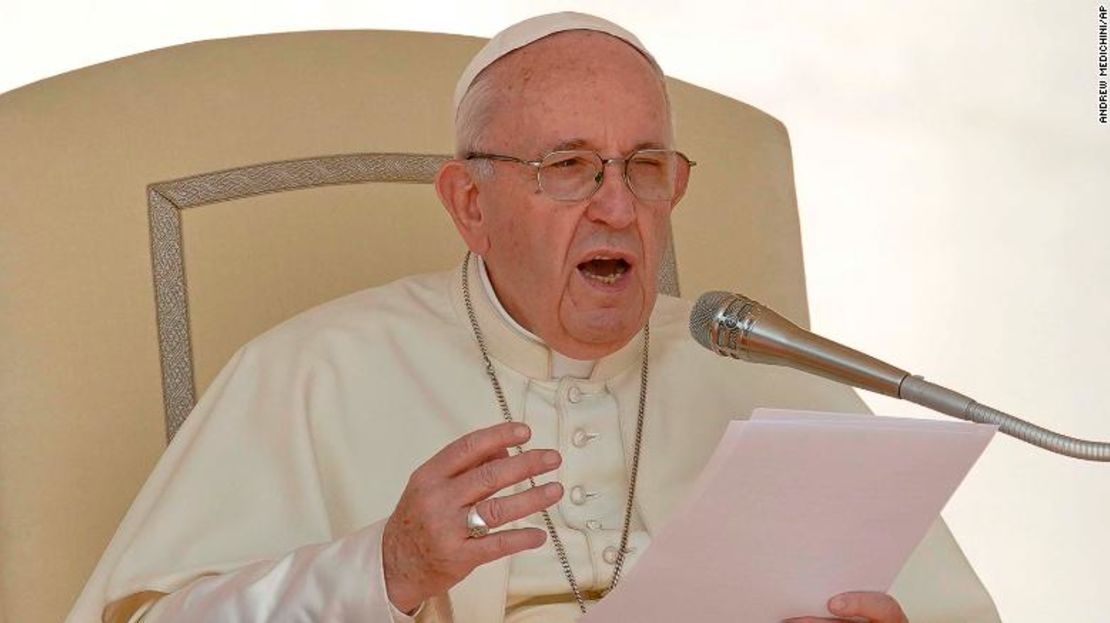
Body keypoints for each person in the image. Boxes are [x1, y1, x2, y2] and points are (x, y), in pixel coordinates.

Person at [67, 12, 999, 623]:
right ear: (469, 203)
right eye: (568, 165)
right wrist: (381, 569)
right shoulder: (313, 368)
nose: (619, 207)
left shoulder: (769, 373)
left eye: (645, 165)